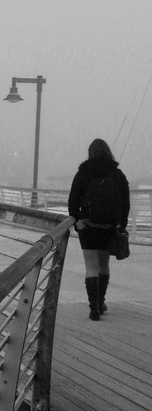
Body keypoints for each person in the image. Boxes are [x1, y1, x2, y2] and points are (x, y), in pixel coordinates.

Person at [67, 137, 129, 321]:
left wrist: (77, 221)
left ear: (90, 153)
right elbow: (125, 202)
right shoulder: (117, 174)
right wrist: (121, 224)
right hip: (109, 227)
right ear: (108, 152)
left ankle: (93, 308)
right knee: (104, 265)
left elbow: (73, 201)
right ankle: (101, 301)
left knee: (91, 267)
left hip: (88, 227)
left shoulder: (83, 173)